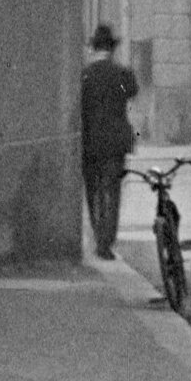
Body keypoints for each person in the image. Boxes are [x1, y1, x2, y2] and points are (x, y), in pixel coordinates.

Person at [77, 20, 142, 261]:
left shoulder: (85, 75)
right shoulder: (121, 74)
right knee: (112, 192)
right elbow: (133, 90)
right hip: (115, 143)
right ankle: (107, 241)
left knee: (93, 192)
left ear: (94, 48)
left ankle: (99, 237)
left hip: (91, 142)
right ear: (112, 48)